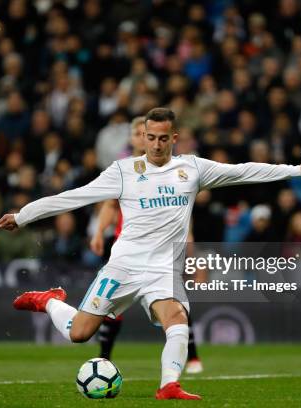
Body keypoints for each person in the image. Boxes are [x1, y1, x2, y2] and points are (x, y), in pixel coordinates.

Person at [0, 107, 301, 400]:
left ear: (174, 138)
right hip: (122, 267)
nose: (155, 144)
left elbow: (241, 172)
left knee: (177, 318)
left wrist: (294, 170)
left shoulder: (191, 169)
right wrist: (23, 216)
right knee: (79, 333)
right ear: (144, 137)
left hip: (163, 270)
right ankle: (48, 300)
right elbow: (74, 197)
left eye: (162, 138)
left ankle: (169, 385)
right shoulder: (124, 170)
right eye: (150, 137)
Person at [89, 116, 203, 373]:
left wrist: (189, 238)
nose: (148, 139)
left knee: (175, 301)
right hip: (127, 247)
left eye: (154, 135)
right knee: (110, 306)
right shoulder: (124, 168)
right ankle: (104, 358)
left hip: (163, 247)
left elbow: (182, 205)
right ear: (136, 138)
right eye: (140, 134)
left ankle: (192, 357)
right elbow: (109, 204)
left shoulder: (173, 168)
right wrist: (98, 231)